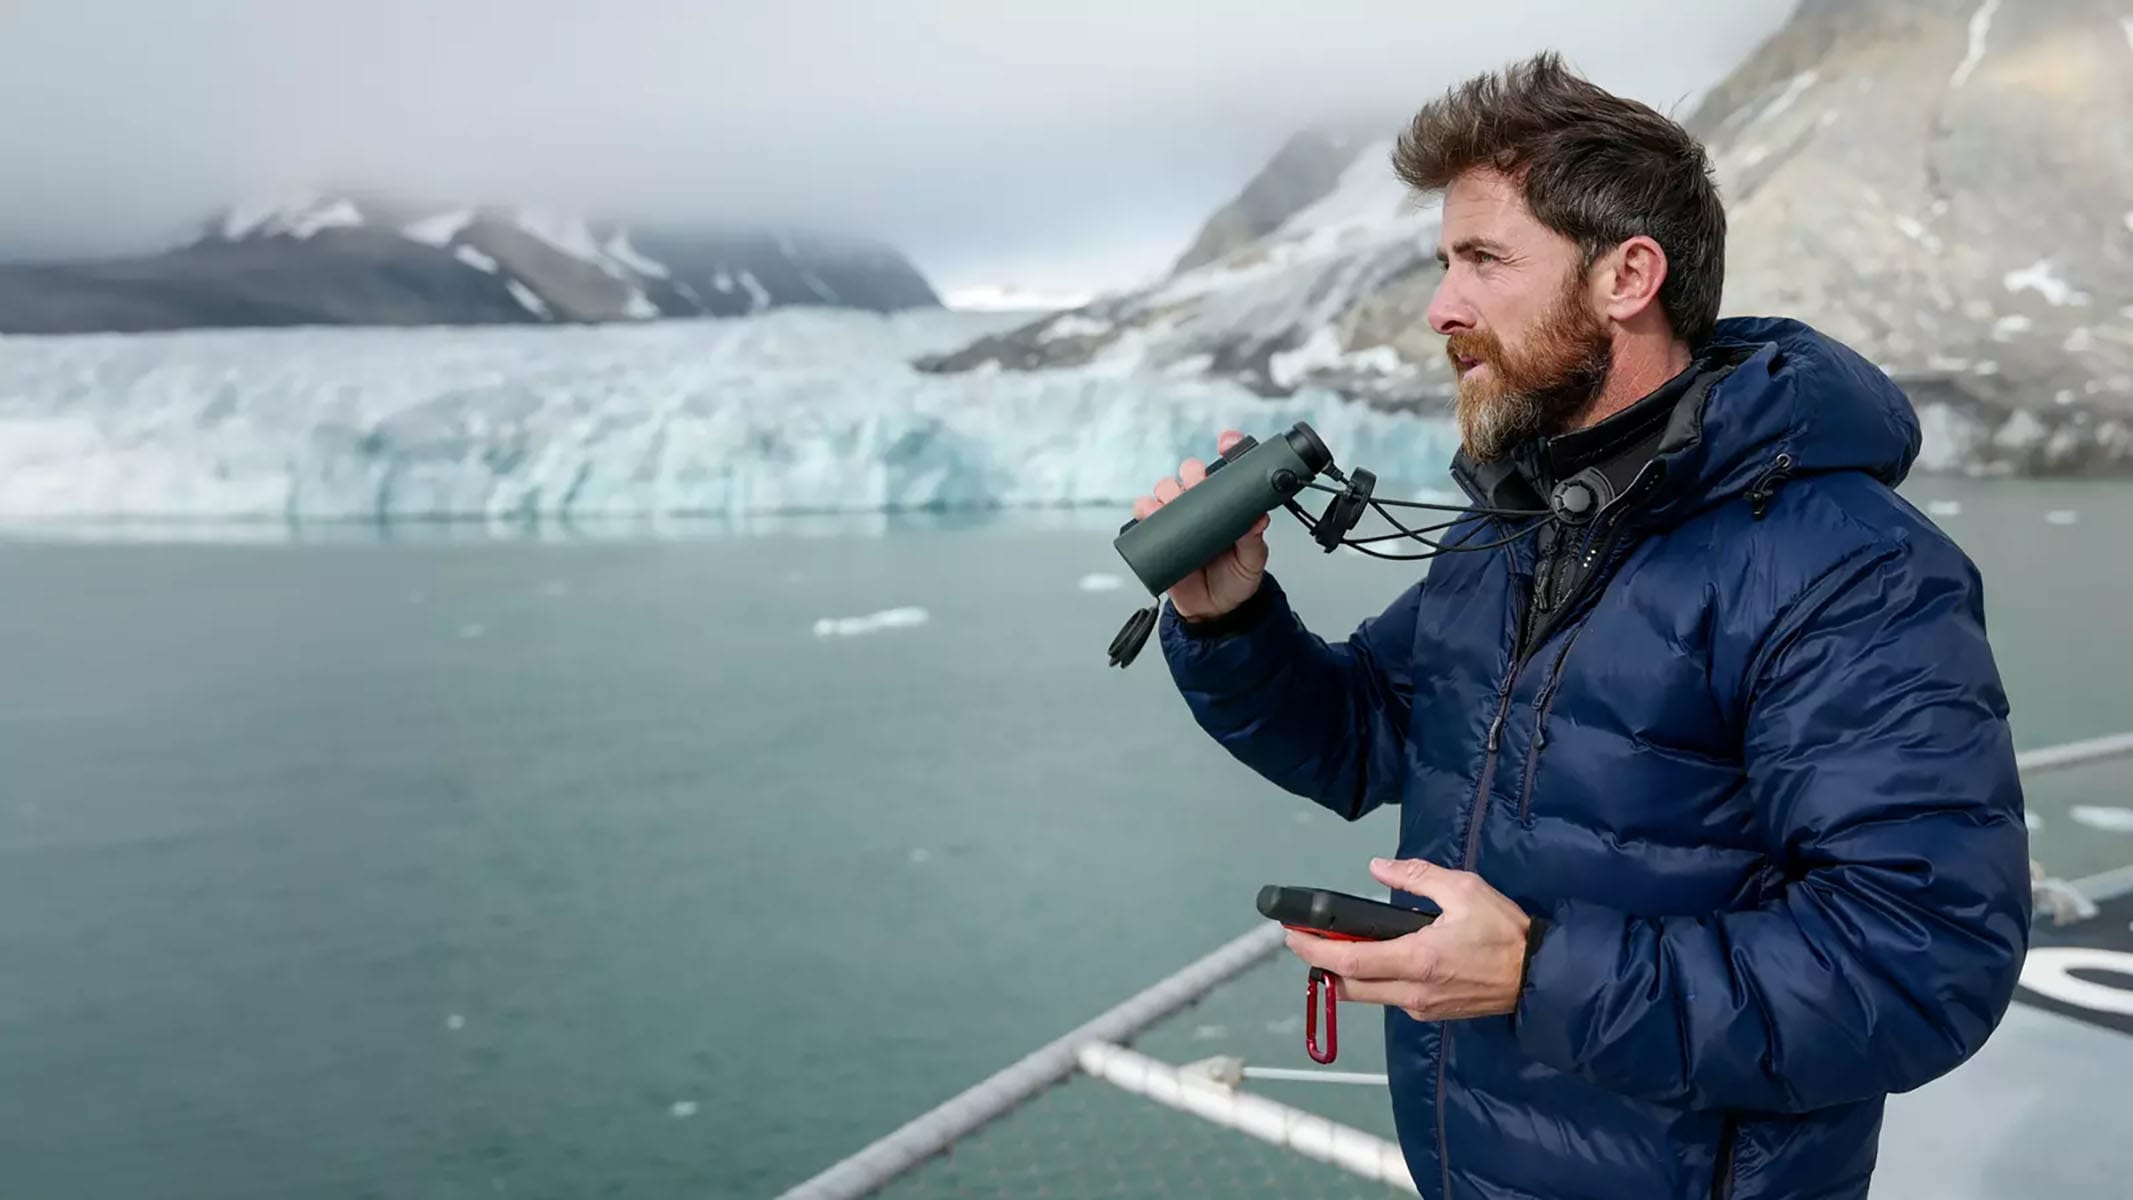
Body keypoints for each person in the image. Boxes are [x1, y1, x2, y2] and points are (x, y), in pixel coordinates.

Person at [1135, 52, 2031, 1200]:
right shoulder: (1516, 530)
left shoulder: (1847, 567)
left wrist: (1537, 972)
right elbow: (1366, 735)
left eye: (1483, 260)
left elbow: (1921, 960)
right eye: (1443, 260)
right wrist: (1232, 618)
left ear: (1628, 277)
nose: (1441, 306)